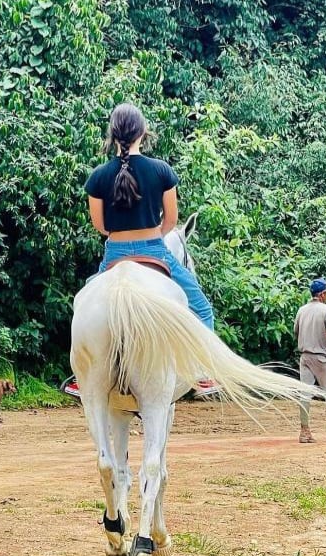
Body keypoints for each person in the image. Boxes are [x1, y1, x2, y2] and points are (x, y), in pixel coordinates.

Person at [64, 103, 215, 398]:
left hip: (114, 253)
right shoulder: (161, 170)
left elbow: (100, 225)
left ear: (112, 133)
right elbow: (171, 221)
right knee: (201, 307)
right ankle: (203, 372)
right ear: (143, 132)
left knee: (84, 304)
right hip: (155, 250)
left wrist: (121, 237)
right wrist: (151, 237)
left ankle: (79, 375)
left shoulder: (98, 176)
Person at [294, 277, 326, 443]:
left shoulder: (302, 310)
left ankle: (305, 432)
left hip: (305, 357)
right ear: (322, 294)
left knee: (305, 393)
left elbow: (296, 332)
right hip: (322, 358)